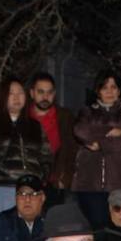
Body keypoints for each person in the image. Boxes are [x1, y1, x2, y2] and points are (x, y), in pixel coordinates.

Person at [0, 77, 51, 239]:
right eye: (11, 93)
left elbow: (46, 155)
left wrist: (42, 176)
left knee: (30, 238)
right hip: (2, 188)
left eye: (20, 93)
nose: (16, 97)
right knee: (1, 238)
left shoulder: (34, 126)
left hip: (31, 190)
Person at [72, 71, 121, 230]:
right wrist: (111, 131)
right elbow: (80, 131)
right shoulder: (88, 111)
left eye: (113, 87)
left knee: (118, 231)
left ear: (119, 90)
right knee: (93, 229)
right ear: (98, 90)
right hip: (89, 183)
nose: (109, 92)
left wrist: (101, 144)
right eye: (105, 87)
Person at [26, 72, 76, 206]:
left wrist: (65, 178)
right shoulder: (23, 117)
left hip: (55, 183)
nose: (45, 97)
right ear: (32, 93)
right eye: (40, 92)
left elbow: (73, 149)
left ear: (54, 94)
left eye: (49, 92)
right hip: (28, 181)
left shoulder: (65, 117)